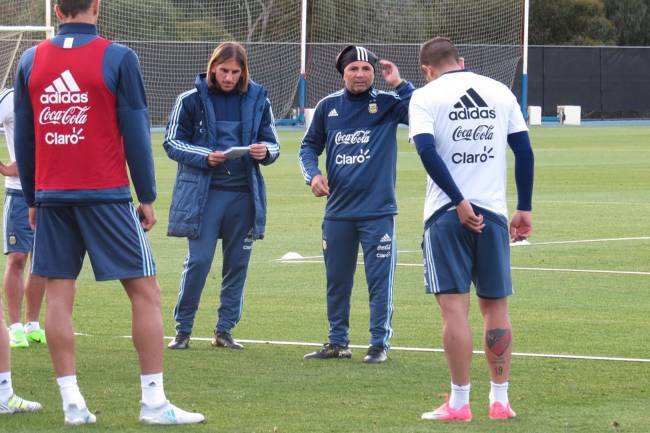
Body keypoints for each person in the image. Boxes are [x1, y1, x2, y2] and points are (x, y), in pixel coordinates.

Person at [13, 0, 204, 425]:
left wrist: (31, 199)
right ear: (96, 6)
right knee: (145, 291)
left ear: (57, 9)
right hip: (106, 195)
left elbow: (25, 140)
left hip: (51, 197)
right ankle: (153, 403)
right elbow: (136, 128)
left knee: (59, 296)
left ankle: (71, 403)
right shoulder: (117, 56)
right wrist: (148, 195)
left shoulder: (29, 59)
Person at [409, 37, 534, 421]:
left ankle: (460, 403)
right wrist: (524, 207)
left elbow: (426, 150)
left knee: (454, 310)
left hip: (447, 214)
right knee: (496, 308)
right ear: (461, 61)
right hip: (494, 213)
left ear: (427, 69)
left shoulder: (426, 96)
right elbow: (525, 151)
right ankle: (500, 400)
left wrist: (459, 201)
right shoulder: (498, 91)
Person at [299, 45, 414, 363]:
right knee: (337, 280)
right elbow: (308, 147)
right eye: (354, 69)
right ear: (343, 73)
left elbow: (421, 112)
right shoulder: (328, 107)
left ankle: (379, 344)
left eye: (366, 69)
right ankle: (338, 342)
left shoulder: (389, 103)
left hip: (378, 212)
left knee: (379, 282)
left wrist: (400, 84)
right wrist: (313, 175)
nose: (361, 74)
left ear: (374, 73)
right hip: (337, 212)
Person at [164, 41, 279, 351]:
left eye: (235, 72)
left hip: (243, 195)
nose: (228, 77)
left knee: (237, 264)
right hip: (204, 196)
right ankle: (183, 329)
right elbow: (172, 142)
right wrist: (206, 156)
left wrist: (264, 151)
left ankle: (224, 330)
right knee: (199, 261)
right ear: (213, 66)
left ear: (243, 73)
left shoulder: (258, 99)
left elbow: (274, 145)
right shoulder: (189, 100)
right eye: (224, 70)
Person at [0, 88, 46, 349]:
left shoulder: (58, 95)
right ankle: (14, 326)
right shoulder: (10, 97)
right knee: (18, 257)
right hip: (19, 192)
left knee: (42, 260)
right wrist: (6, 167)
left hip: (53, 192)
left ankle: (32, 324)